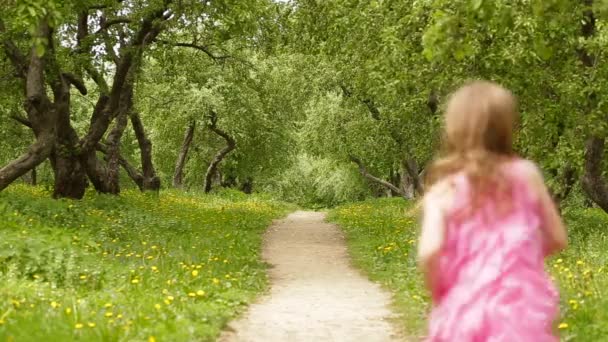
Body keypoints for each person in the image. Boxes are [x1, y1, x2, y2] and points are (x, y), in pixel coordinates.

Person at [417, 80, 567, 341]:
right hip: (520, 309)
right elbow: (556, 237)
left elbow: (430, 251)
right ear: (508, 127)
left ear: (454, 129)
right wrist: (516, 257)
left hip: (465, 308)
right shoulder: (526, 174)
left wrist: (441, 292)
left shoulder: (444, 190)